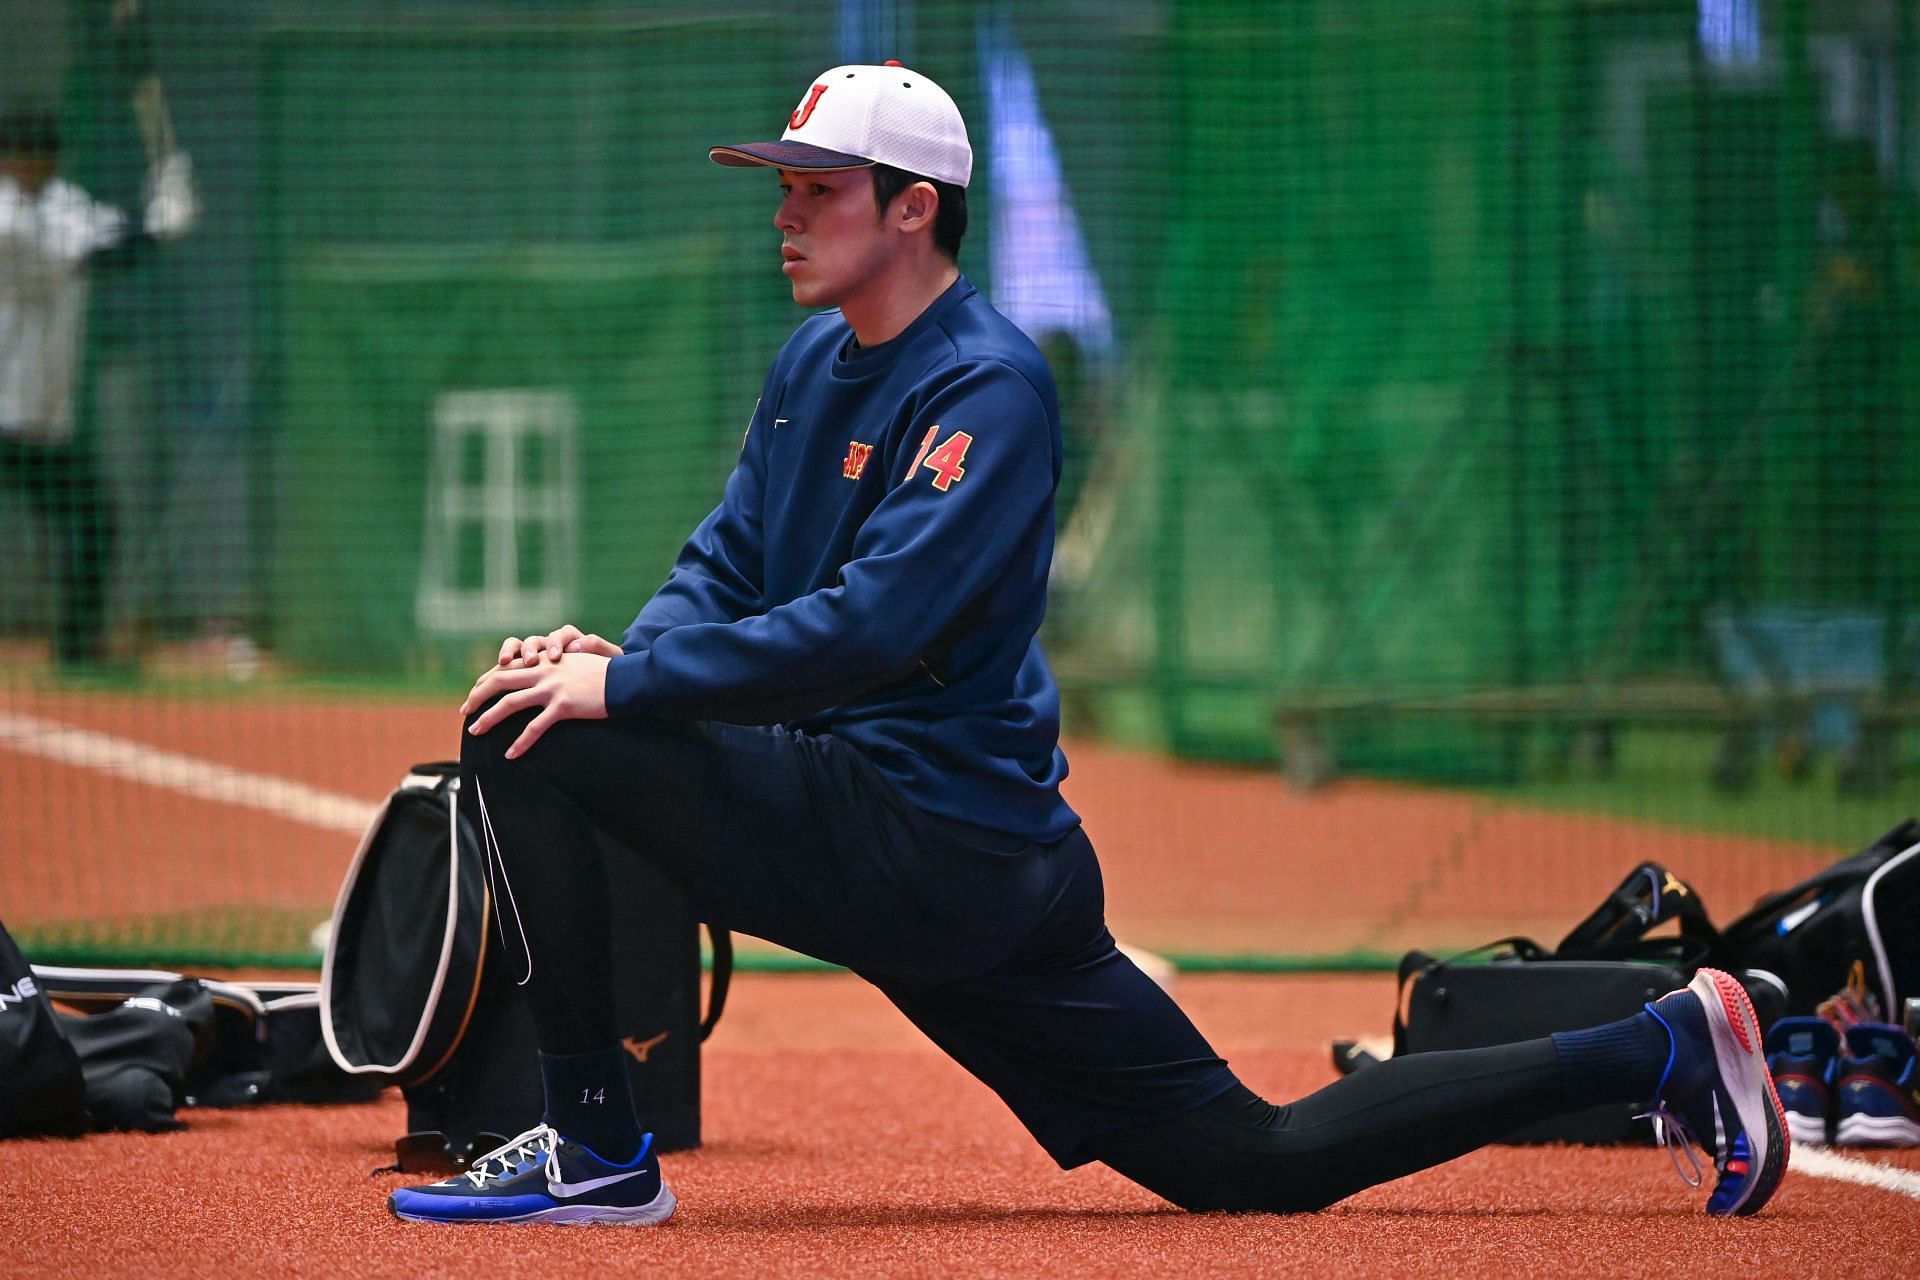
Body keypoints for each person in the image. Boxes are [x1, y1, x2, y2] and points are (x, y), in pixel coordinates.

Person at [388, 64, 1786, 1226]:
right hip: (932, 852)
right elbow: (730, 558)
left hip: (938, 850)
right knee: (1256, 1163)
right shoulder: (812, 363)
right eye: (782, 187)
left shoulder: (988, 388)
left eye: (817, 189)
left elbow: (869, 630)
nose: (786, 215)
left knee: (526, 730)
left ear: (914, 210)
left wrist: (616, 687)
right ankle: (1659, 1040)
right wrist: (625, 653)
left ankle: (594, 1143)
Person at [0, 106, 194, 668]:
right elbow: (91, 254)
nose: (28, 168)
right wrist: (153, 230)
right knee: (87, 515)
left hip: (39, 420)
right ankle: (78, 647)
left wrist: (164, 210)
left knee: (91, 517)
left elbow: (115, 233)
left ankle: (78, 649)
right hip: (4, 415)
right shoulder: (7, 219)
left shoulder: (63, 204)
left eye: (38, 157)